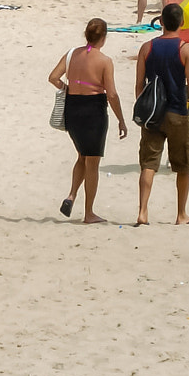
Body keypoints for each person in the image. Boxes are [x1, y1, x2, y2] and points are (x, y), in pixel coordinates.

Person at [133, 4, 189, 226]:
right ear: (182, 23)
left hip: (153, 115)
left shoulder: (146, 48)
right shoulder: (186, 50)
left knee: (148, 163)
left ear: (162, 22)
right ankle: (181, 214)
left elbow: (139, 85)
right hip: (177, 112)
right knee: (183, 165)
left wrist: (144, 108)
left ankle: (143, 212)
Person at [48, 18, 126, 224]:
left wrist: (69, 89)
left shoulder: (72, 54)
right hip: (94, 111)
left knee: (82, 155)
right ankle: (89, 213)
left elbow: (53, 78)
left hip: (73, 109)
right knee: (92, 162)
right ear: (104, 37)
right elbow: (112, 95)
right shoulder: (104, 61)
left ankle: (71, 195)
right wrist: (121, 120)